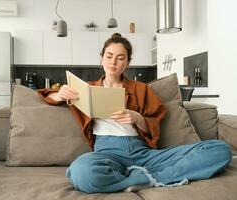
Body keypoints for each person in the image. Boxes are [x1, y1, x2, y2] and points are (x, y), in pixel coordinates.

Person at [38, 33, 232, 193]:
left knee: (220, 150)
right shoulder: (86, 88)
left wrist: (138, 118)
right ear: (102, 58)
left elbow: (155, 120)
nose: (113, 62)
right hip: (107, 153)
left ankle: (141, 178)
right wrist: (60, 95)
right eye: (109, 55)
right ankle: (144, 177)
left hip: (144, 153)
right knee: (81, 172)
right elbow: (46, 96)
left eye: (120, 58)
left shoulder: (141, 89)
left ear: (127, 63)